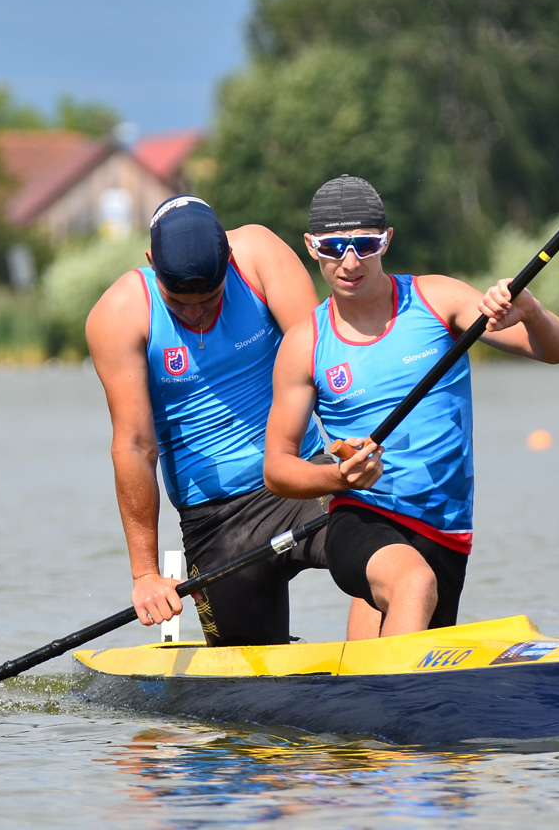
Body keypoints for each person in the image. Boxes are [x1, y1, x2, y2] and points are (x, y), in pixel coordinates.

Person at [264, 175, 559, 639]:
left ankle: (365, 696)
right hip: (361, 515)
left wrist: (530, 310)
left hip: (445, 530)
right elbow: (277, 469)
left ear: (386, 240)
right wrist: (336, 478)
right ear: (312, 246)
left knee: (399, 615)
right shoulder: (305, 343)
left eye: (365, 244)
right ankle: (398, 708)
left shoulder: (439, 300)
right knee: (413, 582)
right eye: (334, 247)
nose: (349, 262)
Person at [85, 195, 368, 646]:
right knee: (251, 687)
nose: (196, 314)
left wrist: (349, 448)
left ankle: (382, 669)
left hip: (302, 478)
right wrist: (146, 574)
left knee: (392, 549)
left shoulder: (260, 256)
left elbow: (324, 362)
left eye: (210, 299)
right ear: (150, 262)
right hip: (216, 523)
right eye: (179, 303)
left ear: (230, 261)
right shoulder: (119, 315)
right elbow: (135, 447)